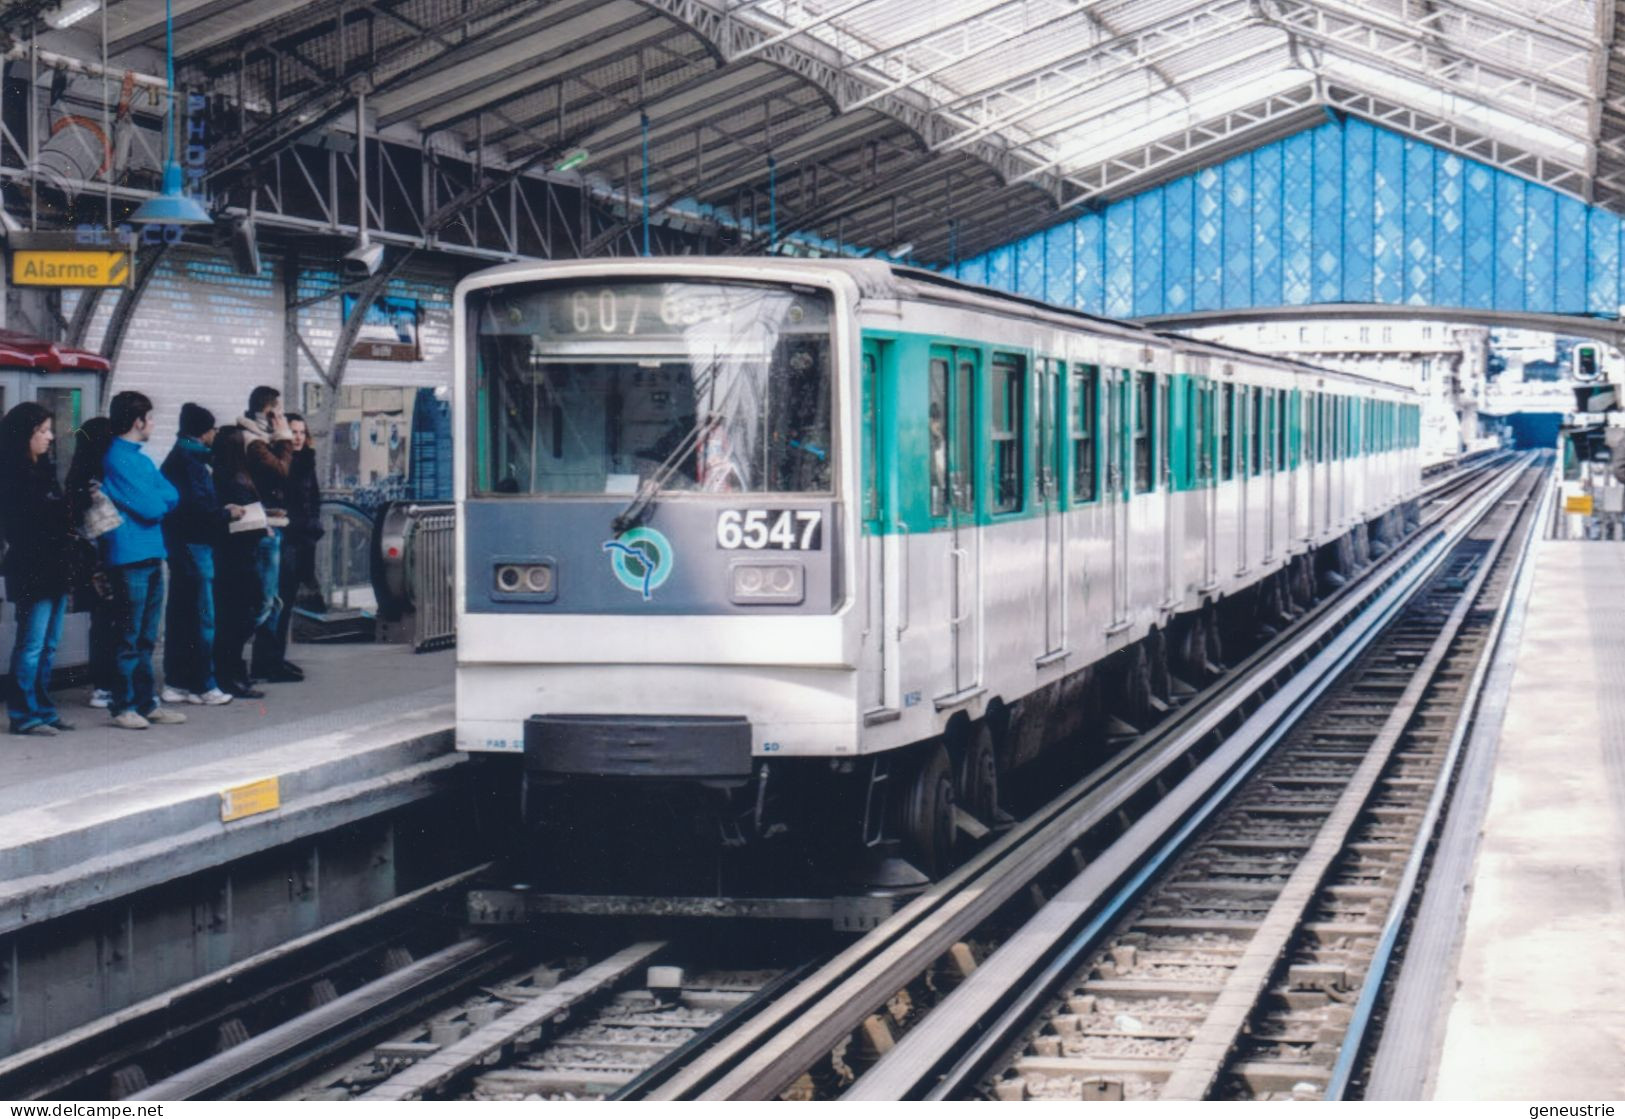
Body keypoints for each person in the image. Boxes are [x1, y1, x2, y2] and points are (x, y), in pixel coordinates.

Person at [101, 391, 185, 730]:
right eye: (150, 419)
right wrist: (155, 502)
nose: (152, 424)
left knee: (146, 636)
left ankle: (145, 702)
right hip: (130, 555)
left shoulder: (139, 458)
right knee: (130, 634)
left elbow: (170, 495)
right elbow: (157, 504)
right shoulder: (117, 458)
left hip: (148, 551)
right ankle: (124, 705)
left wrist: (153, 501)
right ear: (137, 421)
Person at [159, 404, 243, 706]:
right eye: (213, 429)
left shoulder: (176, 457)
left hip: (178, 545)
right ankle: (203, 684)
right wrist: (226, 513)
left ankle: (178, 682)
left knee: (181, 614)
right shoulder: (193, 461)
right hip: (196, 546)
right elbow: (200, 509)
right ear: (205, 431)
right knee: (202, 618)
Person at [0, 402, 75, 735]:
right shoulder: (12, 476)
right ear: (24, 435)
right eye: (42, 431)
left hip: (54, 565)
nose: (50, 438)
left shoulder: (44, 469)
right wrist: (59, 514)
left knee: (48, 644)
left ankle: (43, 708)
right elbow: (22, 525)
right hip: (32, 567)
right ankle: (23, 713)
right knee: (31, 644)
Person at [239, 386, 298, 684]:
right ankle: (235, 655)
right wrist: (284, 436)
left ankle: (264, 662)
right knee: (264, 601)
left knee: (271, 601)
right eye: (280, 411)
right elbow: (280, 472)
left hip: (272, 524)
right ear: (269, 412)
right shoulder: (253, 441)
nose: (284, 418)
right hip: (262, 528)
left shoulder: (261, 439)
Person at [65, 417, 118, 708]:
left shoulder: (77, 476)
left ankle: (103, 685)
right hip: (104, 559)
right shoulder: (98, 480)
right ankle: (106, 684)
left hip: (91, 562)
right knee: (113, 622)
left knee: (102, 623)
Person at [211, 425, 267, 699]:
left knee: (237, 615)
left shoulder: (227, 475)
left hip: (237, 555)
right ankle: (231, 673)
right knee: (238, 616)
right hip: (239, 555)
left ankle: (232, 671)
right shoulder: (231, 479)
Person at [270, 412, 324, 665]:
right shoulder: (284, 463)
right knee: (280, 599)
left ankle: (277, 656)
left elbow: (314, 498)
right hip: (288, 537)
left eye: (302, 432)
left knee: (287, 600)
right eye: (294, 432)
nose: (299, 437)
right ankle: (271, 657)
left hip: (301, 538)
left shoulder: (306, 461)